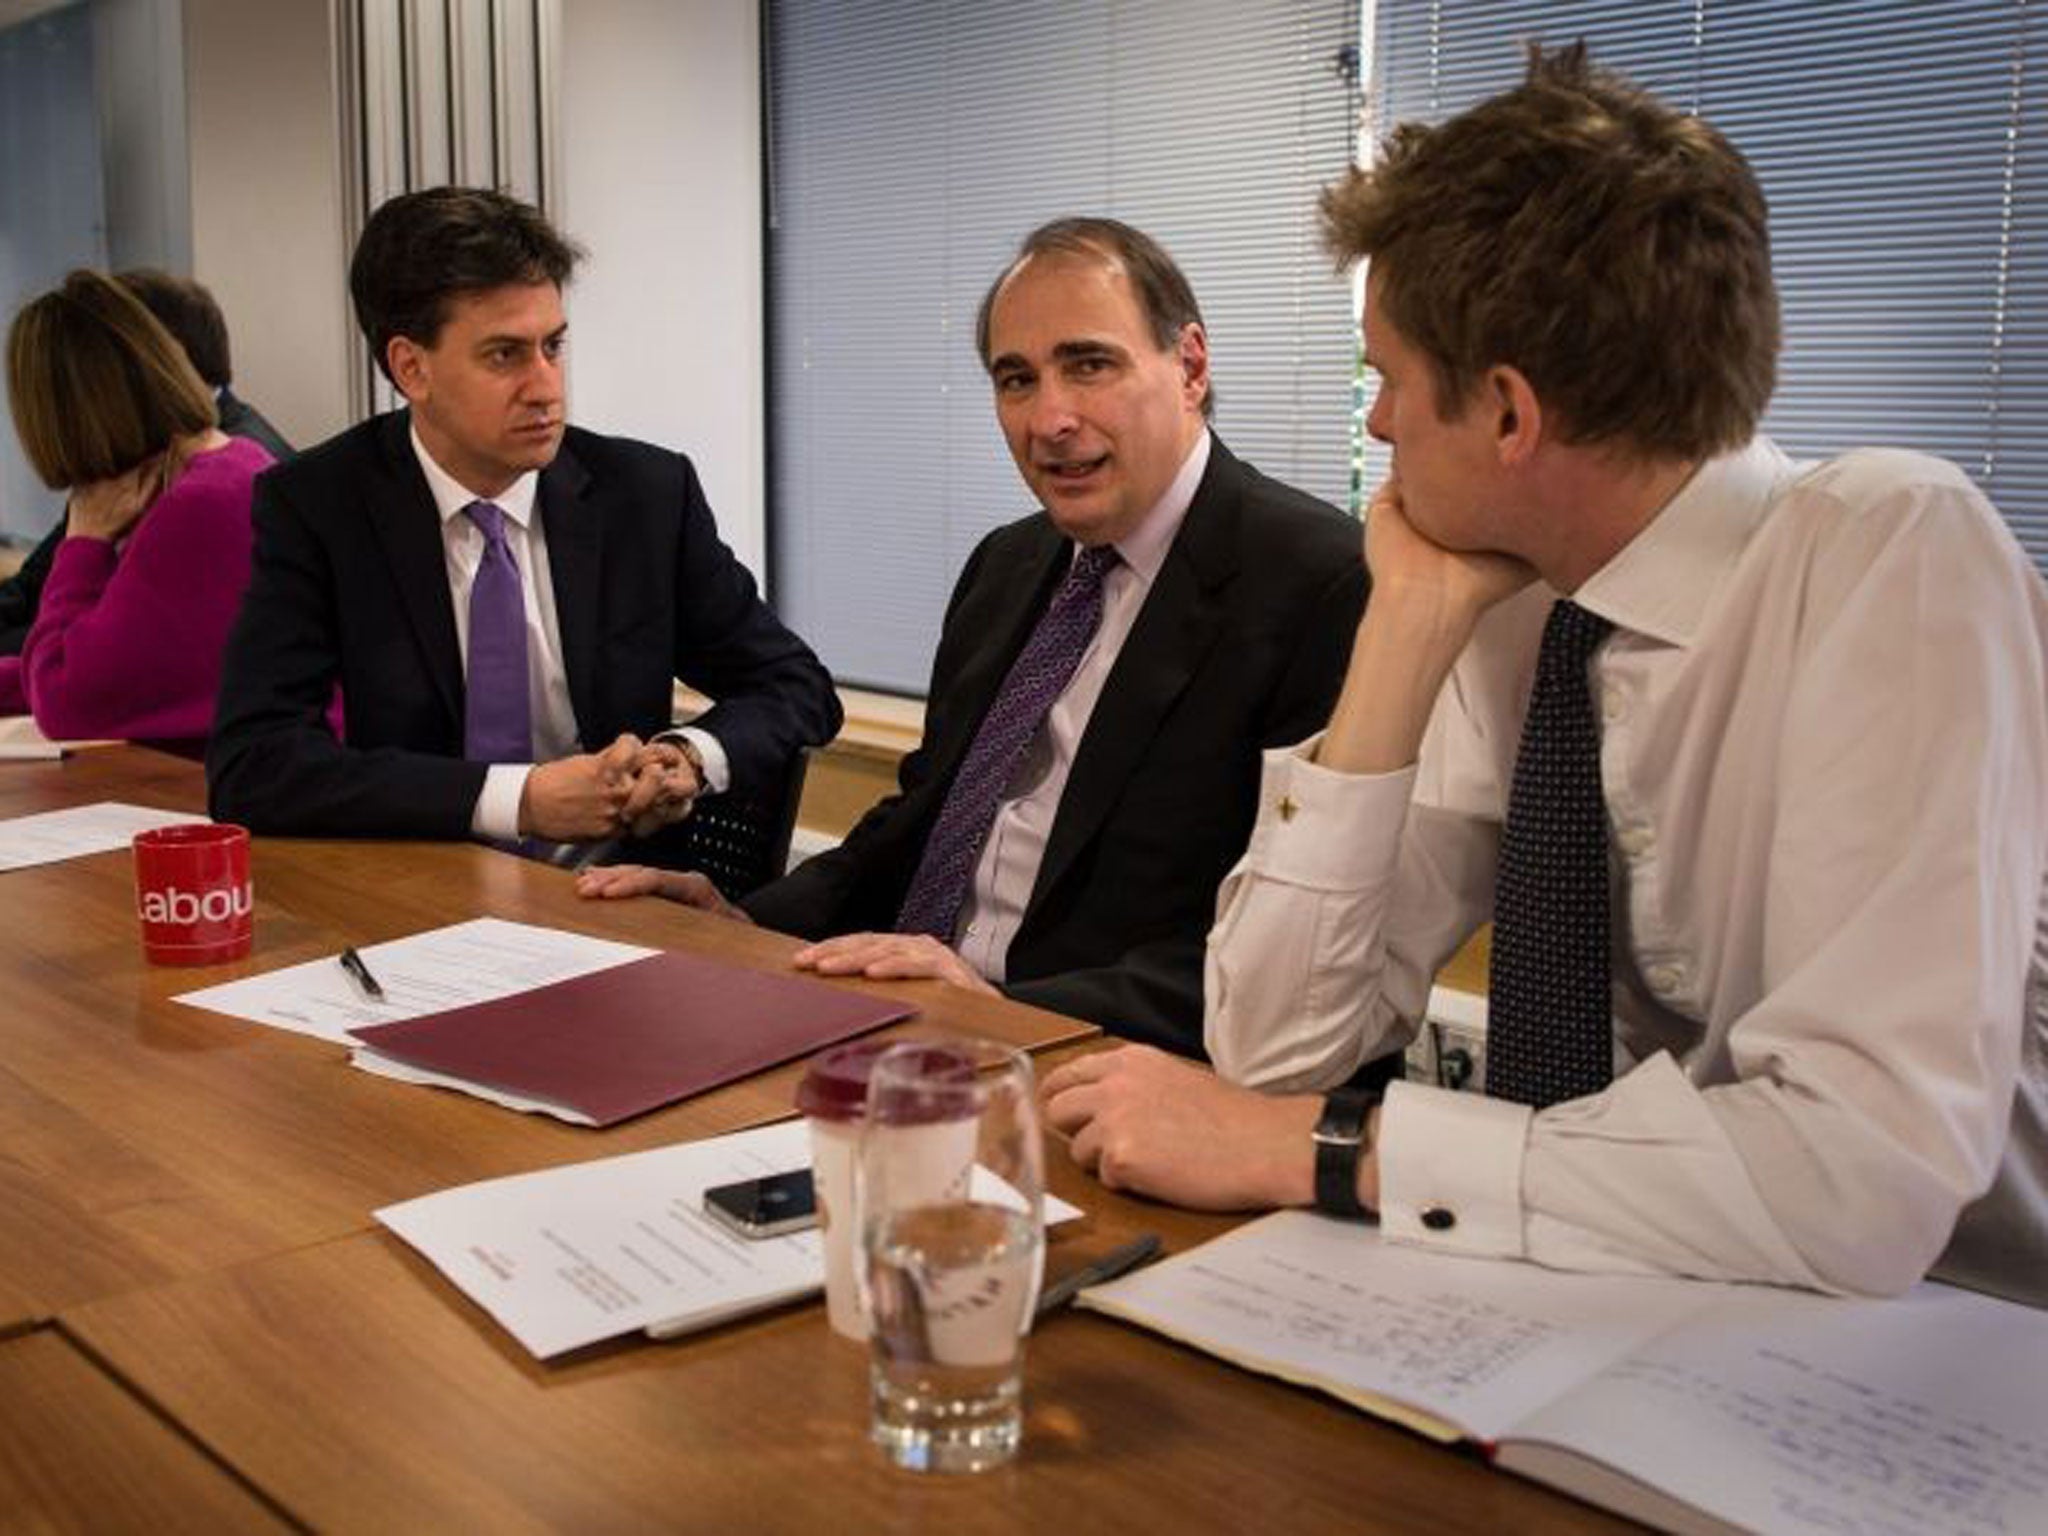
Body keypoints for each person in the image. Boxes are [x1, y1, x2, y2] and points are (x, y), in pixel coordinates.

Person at [1042, 45, 2048, 1309]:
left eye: (1388, 381)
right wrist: (1402, 635)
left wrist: (1332, 1151)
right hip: (1634, 1287)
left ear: (1509, 416)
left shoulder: (1894, 555)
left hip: (1958, 1341)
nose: (1377, 431)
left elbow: (1857, 1183)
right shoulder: (1516, 602)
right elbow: (1275, 1049)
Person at [581, 218, 1366, 1054]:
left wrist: (1005, 1009)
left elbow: (1293, 949)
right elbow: (922, 820)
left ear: (1191, 366)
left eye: (1089, 365)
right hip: (909, 1032)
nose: (1050, 418)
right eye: (1016, 379)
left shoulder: (1319, 581)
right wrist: (742, 920)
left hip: (1104, 1064)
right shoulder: (1010, 563)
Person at [207, 186, 840, 853]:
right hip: (422, 894)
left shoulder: (645, 497)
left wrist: (688, 754)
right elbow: (255, 764)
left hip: (612, 890)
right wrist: (519, 800)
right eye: (504, 355)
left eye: (553, 347)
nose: (546, 386)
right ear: (411, 367)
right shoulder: (321, 505)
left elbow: (797, 685)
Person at [1, 270, 273, 738]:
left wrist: (84, 543)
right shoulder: (227, 469)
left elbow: (66, 700)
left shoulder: (200, 506)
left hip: (227, 799)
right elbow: (106, 663)